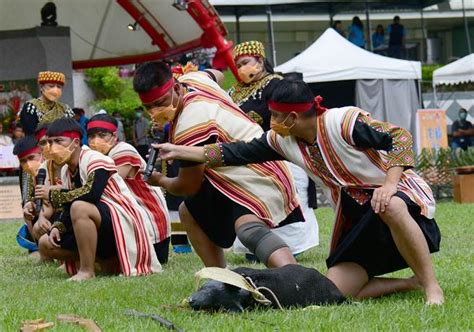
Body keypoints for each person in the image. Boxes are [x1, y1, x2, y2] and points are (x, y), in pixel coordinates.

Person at [155, 79, 444, 305]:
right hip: (356, 214)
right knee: (335, 291)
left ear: (293, 117)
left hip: (398, 196)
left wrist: (390, 185)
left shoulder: (343, 121)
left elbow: (399, 137)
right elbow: (233, 152)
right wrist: (179, 150)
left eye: (276, 116)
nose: (272, 122)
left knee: (390, 205)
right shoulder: (282, 140)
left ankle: (432, 287)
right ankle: (412, 282)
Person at [133, 61, 304, 269]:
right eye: (149, 107)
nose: (155, 111)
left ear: (176, 88)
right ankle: (221, 278)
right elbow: (218, 74)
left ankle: (295, 277)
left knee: (248, 227)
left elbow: (189, 186)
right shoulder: (194, 79)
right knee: (189, 211)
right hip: (246, 168)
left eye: (160, 102)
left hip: (259, 172)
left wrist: (159, 180)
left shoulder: (191, 123)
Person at [35, 118, 161, 280]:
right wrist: (58, 227)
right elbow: (70, 202)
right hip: (97, 220)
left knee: (80, 207)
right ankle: (103, 260)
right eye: (50, 142)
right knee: (46, 243)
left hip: (120, 219)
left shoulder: (96, 160)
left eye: (59, 141)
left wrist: (52, 194)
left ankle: (87, 271)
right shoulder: (67, 169)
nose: (53, 147)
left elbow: (92, 194)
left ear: (75, 143)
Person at [229, 41, 319, 258]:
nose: (242, 68)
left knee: (286, 198)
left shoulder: (276, 85)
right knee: (255, 201)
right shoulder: (233, 91)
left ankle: (290, 247)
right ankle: (257, 245)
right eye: (238, 65)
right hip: (248, 157)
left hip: (280, 152)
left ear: (259, 60)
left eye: (245, 63)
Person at [87, 113, 171, 264]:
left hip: (150, 225)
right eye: (91, 136)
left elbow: (106, 188)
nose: (95, 141)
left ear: (114, 136)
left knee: (85, 207)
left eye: (101, 135)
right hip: (131, 219)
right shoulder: (96, 157)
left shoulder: (123, 150)